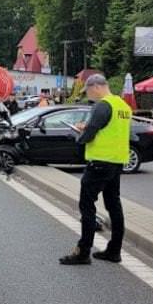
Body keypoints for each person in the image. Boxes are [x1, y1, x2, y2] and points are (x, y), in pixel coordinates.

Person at [59, 74, 131, 265]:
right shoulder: (122, 106)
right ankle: (114, 250)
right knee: (114, 205)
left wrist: (80, 135)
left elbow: (90, 134)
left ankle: (83, 251)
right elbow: (108, 130)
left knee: (87, 206)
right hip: (116, 163)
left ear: (96, 87)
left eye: (88, 91)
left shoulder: (102, 105)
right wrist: (89, 127)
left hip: (99, 162)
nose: (89, 95)